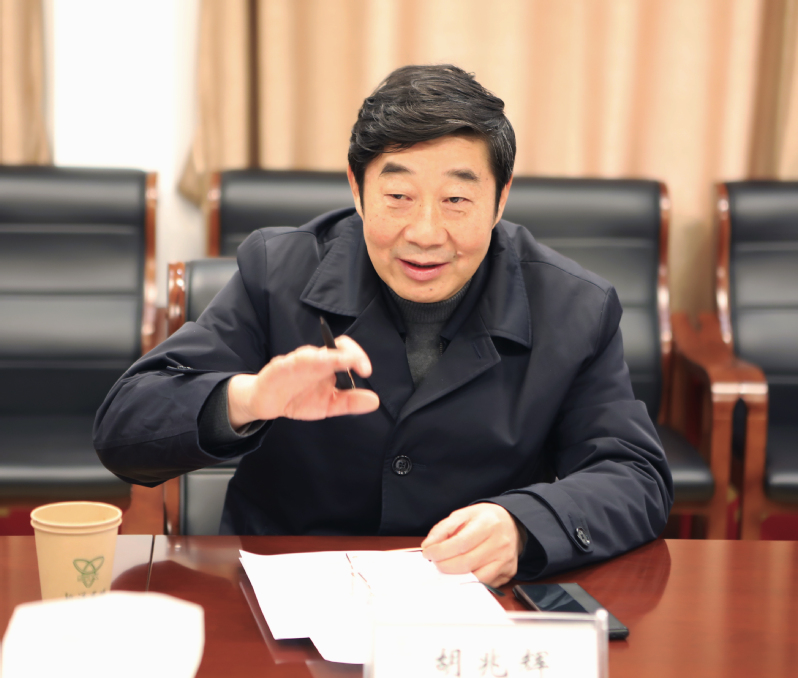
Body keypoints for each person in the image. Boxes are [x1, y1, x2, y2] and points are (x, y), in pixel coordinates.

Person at [94, 64, 673, 586]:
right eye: (398, 195)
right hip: (290, 593)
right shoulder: (279, 272)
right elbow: (123, 429)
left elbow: (635, 475)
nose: (425, 232)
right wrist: (247, 399)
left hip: (474, 599)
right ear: (357, 188)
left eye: (456, 200)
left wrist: (523, 525)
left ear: (500, 200)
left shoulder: (574, 307)